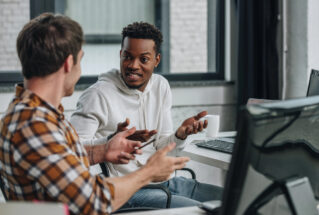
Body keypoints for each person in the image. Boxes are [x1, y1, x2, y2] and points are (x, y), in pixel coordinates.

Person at [0, 13, 189, 215]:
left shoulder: (37, 114)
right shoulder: (34, 126)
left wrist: (103, 150)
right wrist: (148, 172)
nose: (80, 71)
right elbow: (93, 202)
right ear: (67, 63)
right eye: (80, 60)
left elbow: (61, 162)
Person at [70, 21, 223, 208]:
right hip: (128, 192)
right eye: (127, 57)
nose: (133, 65)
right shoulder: (97, 95)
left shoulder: (161, 86)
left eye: (143, 59)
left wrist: (180, 135)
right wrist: (110, 141)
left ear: (156, 60)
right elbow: (71, 152)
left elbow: (162, 149)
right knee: (205, 211)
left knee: (235, 198)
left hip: (166, 182)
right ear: (120, 55)